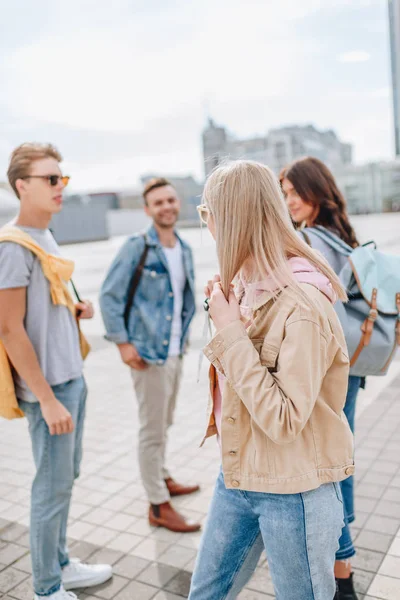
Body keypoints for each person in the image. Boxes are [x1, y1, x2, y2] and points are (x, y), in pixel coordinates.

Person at [188, 160, 354, 600]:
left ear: (234, 217)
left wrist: (229, 331)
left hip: (294, 490)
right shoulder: (247, 286)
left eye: (208, 214)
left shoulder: (302, 305)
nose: (207, 227)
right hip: (238, 475)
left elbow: (284, 419)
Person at [0, 143, 112, 600]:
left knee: (65, 478)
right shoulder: (13, 246)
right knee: (49, 488)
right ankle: (46, 588)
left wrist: (76, 309)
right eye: (50, 179)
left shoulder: (45, 236)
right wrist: (45, 399)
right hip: (48, 389)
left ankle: (62, 565)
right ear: (21, 185)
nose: (60, 186)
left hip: (71, 378)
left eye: (62, 178)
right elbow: (9, 329)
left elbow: (39, 312)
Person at [280, 156, 363, 600]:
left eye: (295, 192)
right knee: (341, 458)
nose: (289, 200)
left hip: (328, 366)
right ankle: (343, 564)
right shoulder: (341, 235)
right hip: (350, 363)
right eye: (285, 193)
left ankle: (342, 569)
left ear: (316, 190)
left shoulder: (311, 239)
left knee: (331, 466)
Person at [100, 177, 200, 533]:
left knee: (164, 422)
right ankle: (158, 504)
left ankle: (161, 475)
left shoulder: (184, 248)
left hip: (174, 351)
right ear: (147, 210)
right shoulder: (136, 246)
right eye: (158, 203)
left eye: (170, 200)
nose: (166, 207)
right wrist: (123, 344)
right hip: (147, 354)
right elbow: (110, 297)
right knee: (152, 429)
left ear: (178, 203)